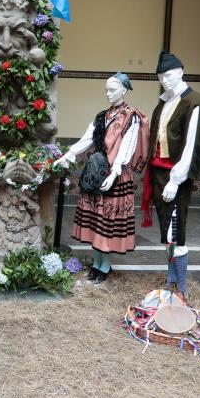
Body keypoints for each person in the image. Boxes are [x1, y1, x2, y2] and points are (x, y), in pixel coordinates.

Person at [53, 72, 149, 283]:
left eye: (112, 89)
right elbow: (87, 138)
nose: (108, 93)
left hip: (115, 173)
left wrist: (115, 172)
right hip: (97, 171)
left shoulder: (130, 116)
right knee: (96, 220)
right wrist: (68, 155)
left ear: (123, 90)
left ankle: (105, 266)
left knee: (107, 221)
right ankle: (97, 263)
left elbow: (127, 146)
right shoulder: (102, 116)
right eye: (106, 89)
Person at [141, 52, 200, 299]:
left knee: (176, 231)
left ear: (181, 72)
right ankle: (171, 278)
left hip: (175, 176)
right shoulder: (162, 104)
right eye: (161, 76)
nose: (165, 80)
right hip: (158, 172)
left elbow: (193, 145)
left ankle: (181, 287)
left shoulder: (197, 102)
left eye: (169, 74)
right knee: (166, 232)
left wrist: (175, 179)